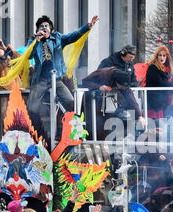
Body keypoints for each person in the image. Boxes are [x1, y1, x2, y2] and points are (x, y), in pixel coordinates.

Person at [25, 15, 99, 144]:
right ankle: (34, 133)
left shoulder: (58, 38)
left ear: (51, 28)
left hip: (56, 78)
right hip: (41, 79)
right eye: (41, 26)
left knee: (69, 100)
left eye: (46, 26)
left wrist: (88, 26)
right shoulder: (33, 40)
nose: (44, 28)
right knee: (32, 108)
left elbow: (73, 36)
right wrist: (37, 40)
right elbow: (28, 55)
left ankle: (61, 129)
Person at [80, 66, 146, 140]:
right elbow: (85, 82)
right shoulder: (103, 74)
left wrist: (139, 116)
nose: (123, 88)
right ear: (117, 82)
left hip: (106, 101)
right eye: (122, 86)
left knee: (108, 122)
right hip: (91, 102)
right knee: (93, 124)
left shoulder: (123, 82)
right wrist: (98, 87)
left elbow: (130, 98)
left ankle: (107, 141)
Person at [144, 45, 173, 120]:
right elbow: (161, 83)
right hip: (154, 104)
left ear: (167, 57)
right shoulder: (152, 68)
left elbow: (165, 82)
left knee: (161, 127)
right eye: (160, 55)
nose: (162, 57)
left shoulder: (165, 69)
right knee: (154, 127)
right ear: (157, 56)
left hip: (162, 103)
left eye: (164, 55)